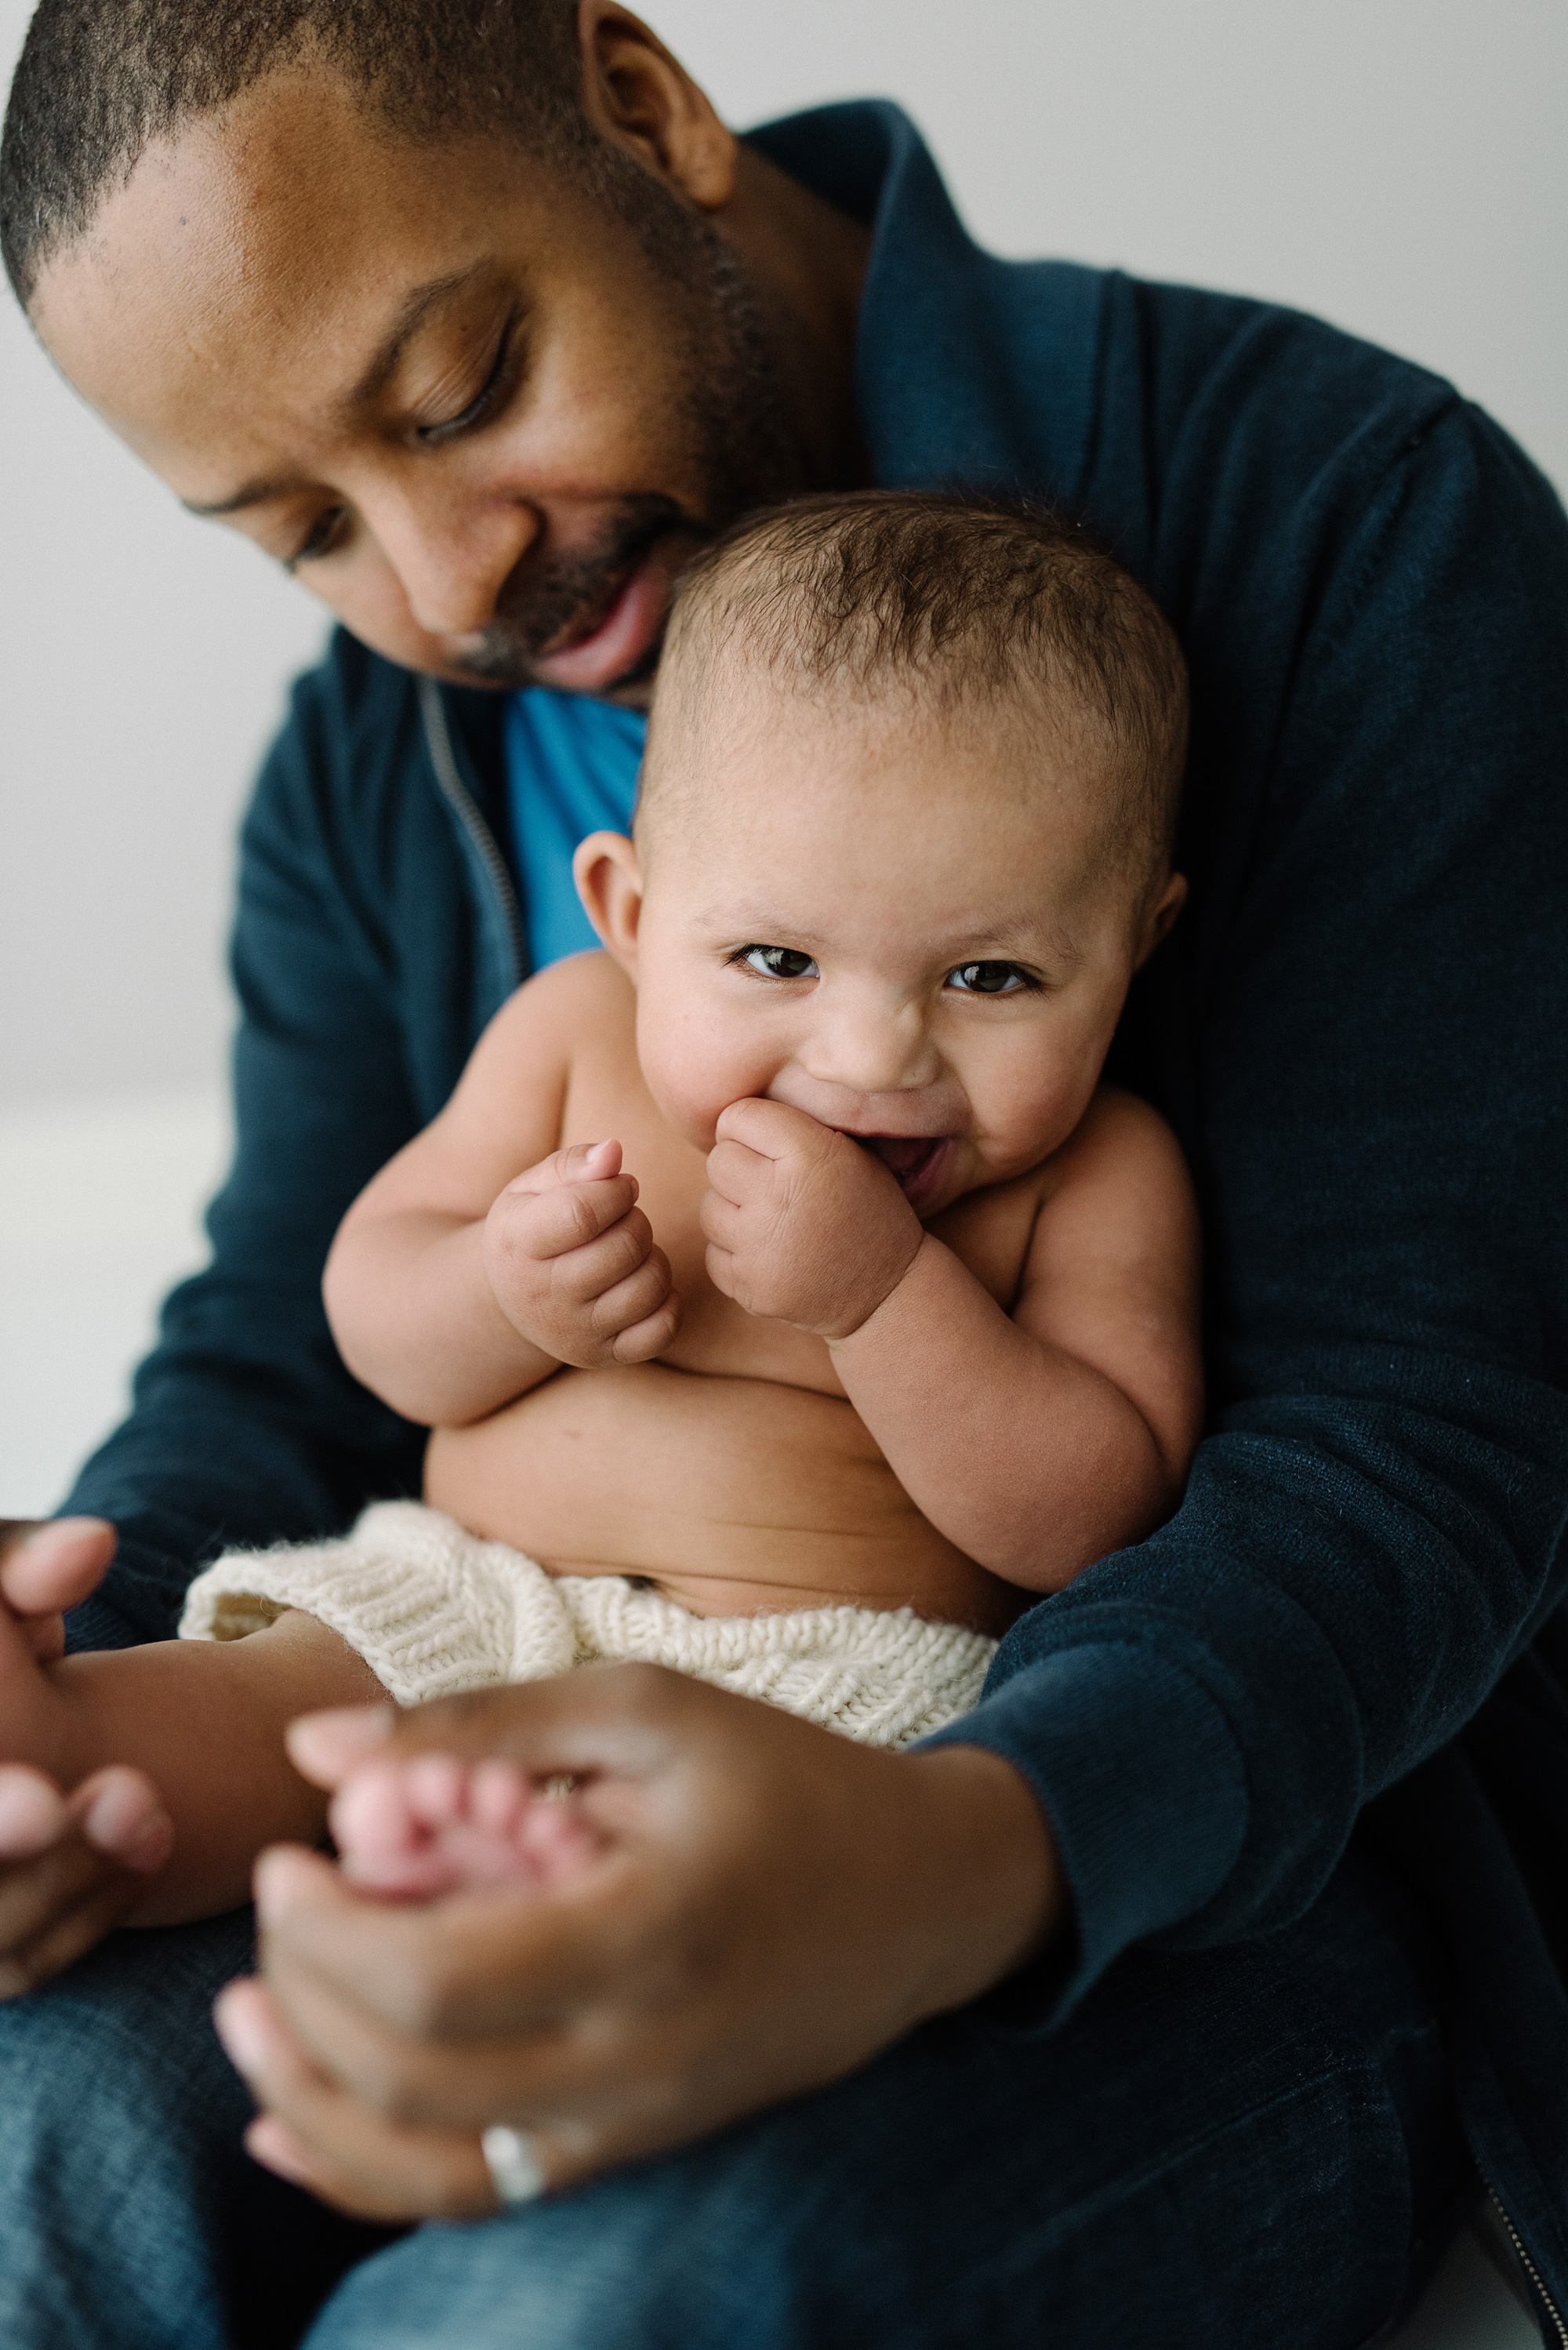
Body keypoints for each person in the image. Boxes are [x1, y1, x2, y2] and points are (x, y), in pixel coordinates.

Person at [0, 2, 1564, 2345]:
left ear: (648, 111)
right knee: (32, 2114)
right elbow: (278, 1366)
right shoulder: (373, 775)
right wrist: (67, 1713)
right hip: (493, 1673)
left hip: (1184, 1822)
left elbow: (1411, 1444)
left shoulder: (1348, 520)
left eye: (457, 391)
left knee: (597, 2292)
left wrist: (945, 1856)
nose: (444, 588)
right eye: (306, 526)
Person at [175, 492, 1204, 1894]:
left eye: (991, 977)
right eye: (778, 959)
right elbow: (370, 1314)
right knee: (250, 1692)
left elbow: (1095, 1516)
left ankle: (500, 1921)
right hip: (470, 1594)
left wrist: (886, 1295)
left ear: (1134, 949)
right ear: (634, 916)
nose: (868, 1059)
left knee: (746, 1893)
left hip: (834, 1681)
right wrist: (497, 1285)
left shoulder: (1097, 1172)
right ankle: (73, 1773)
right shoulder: (569, 1033)